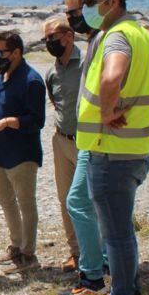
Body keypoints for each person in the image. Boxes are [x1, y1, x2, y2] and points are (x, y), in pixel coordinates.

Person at [73, 0, 149, 295]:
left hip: (111, 153)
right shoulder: (138, 32)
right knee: (122, 232)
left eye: (90, 1)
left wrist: (106, 111)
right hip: (133, 149)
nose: (85, 8)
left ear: (111, 0)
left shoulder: (118, 36)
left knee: (116, 235)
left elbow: (112, 76)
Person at [56, 0, 109, 295]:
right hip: (90, 138)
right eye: (68, 13)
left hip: (98, 139)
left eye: (76, 10)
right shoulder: (96, 41)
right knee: (99, 205)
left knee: (79, 202)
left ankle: (92, 275)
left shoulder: (106, 41)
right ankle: (103, 264)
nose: (71, 17)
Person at [0, 30, 46, 275]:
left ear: (17, 52)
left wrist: (7, 122)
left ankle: (28, 253)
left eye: (1, 53)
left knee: (25, 202)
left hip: (23, 152)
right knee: (5, 198)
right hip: (1, 151)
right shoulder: (4, 74)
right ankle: (16, 244)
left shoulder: (32, 80)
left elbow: (36, 120)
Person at [42, 15, 81, 272]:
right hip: (61, 140)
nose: (48, 43)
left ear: (69, 36)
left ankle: (103, 253)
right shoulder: (52, 72)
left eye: (52, 37)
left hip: (87, 142)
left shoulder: (88, 64)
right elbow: (55, 103)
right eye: (45, 39)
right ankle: (76, 253)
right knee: (66, 198)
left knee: (91, 199)